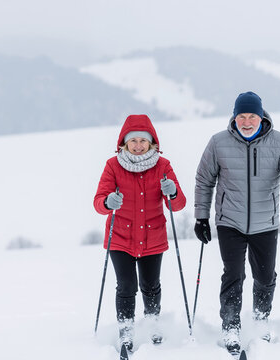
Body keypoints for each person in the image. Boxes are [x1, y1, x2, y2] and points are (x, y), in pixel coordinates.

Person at [194, 91, 280, 354]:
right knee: (233, 275)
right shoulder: (218, 143)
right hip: (229, 221)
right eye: (241, 116)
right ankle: (231, 325)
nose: (246, 122)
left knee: (265, 277)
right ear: (234, 118)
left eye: (251, 116)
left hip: (265, 222)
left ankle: (260, 318)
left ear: (261, 117)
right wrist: (201, 216)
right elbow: (204, 180)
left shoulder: (279, 142)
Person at [94, 114, 186, 351]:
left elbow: (178, 205)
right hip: (120, 238)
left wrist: (172, 191)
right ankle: (126, 330)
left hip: (152, 236)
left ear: (152, 142)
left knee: (150, 284)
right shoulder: (112, 166)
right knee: (126, 286)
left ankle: (153, 323)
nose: (137, 145)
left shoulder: (163, 166)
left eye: (142, 141)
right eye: (132, 141)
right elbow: (98, 202)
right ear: (124, 143)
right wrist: (108, 202)